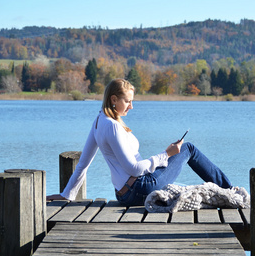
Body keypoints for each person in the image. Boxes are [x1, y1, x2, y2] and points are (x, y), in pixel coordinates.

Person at [47, 78, 233, 206]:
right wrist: (166, 155)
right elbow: (134, 169)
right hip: (139, 189)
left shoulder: (98, 121)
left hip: (124, 194)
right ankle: (230, 191)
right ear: (114, 99)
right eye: (127, 101)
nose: (131, 106)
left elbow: (82, 165)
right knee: (188, 148)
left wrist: (67, 195)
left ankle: (228, 190)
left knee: (181, 155)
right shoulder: (112, 126)